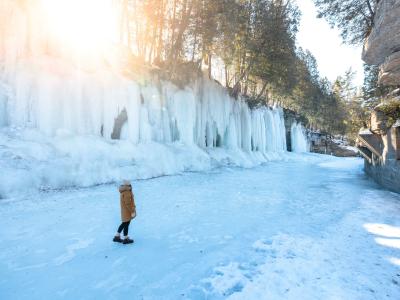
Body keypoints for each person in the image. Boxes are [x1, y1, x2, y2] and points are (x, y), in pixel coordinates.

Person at [113, 180, 136, 244]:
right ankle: (125, 238)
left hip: (124, 210)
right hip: (127, 211)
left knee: (124, 223)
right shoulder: (127, 192)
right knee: (126, 224)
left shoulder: (124, 190)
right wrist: (132, 211)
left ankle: (117, 236)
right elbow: (128, 204)